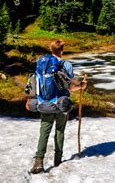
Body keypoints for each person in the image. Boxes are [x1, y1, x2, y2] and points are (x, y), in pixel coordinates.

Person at [30, 39, 87, 174]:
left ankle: (38, 161)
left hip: (44, 103)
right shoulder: (66, 65)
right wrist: (81, 86)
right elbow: (71, 87)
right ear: (62, 50)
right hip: (62, 104)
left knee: (44, 131)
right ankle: (58, 159)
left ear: (51, 49)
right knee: (60, 130)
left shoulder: (42, 63)